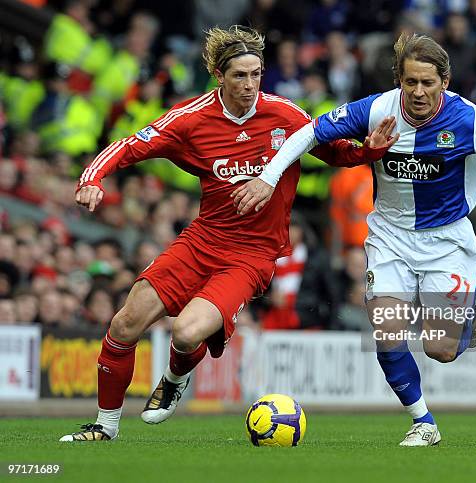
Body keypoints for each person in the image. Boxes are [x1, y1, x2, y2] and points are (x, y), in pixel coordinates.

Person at [232, 33, 476, 447]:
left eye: (428, 83)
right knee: (387, 330)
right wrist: (268, 178)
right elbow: (308, 134)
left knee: (440, 349)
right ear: (399, 80)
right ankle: (423, 421)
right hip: (389, 234)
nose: (418, 92)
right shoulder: (376, 109)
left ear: (445, 82)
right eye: (410, 82)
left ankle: (468, 322)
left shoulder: (471, 120)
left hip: (447, 241)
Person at [60, 25, 397, 442]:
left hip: (252, 254)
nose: (251, 84)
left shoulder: (286, 115)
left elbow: (333, 151)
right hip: (203, 238)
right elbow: (131, 144)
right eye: (240, 75)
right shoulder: (191, 119)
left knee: (185, 333)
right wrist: (92, 178)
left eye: (257, 74)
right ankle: (104, 427)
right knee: (126, 321)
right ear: (219, 75)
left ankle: (174, 378)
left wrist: (371, 150)